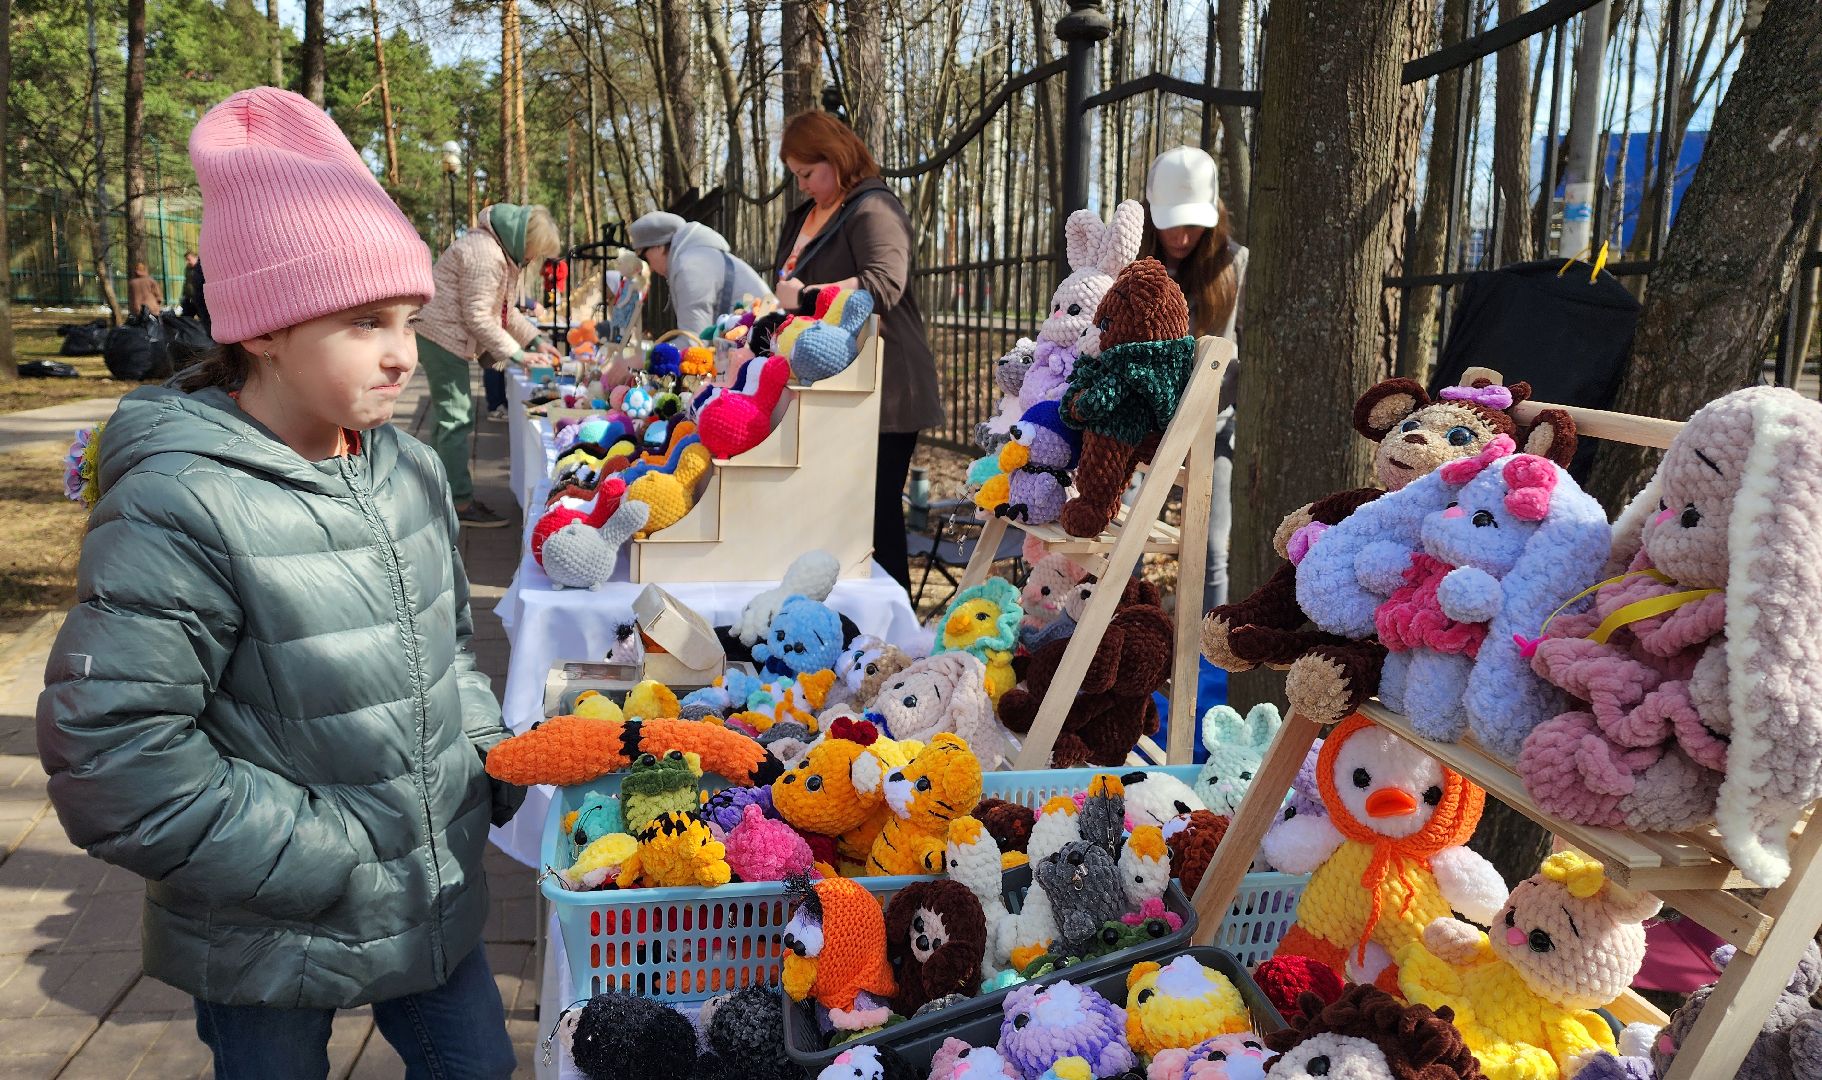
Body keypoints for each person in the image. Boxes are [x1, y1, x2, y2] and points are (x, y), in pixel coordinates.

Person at [35, 88, 522, 1080]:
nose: (400, 351)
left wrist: (482, 758)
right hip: (266, 929)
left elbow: (449, 653)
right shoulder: (182, 503)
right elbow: (111, 754)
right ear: (262, 330)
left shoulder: (407, 469)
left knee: (475, 1065)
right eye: (363, 322)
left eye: (406, 315)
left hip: (429, 897)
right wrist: (322, 854)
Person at [771, 111, 943, 591]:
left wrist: (807, 296)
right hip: (830, 388)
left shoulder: (873, 208)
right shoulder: (806, 215)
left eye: (808, 173)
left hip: (882, 391)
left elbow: (883, 285)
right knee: (837, 519)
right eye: (797, 176)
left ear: (837, 157)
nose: (802, 185)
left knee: (872, 518)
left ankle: (893, 632)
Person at [1139, 145, 1248, 612]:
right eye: (1170, 221)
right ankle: (1115, 634)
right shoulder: (1136, 261)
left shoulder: (1235, 264)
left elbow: (1240, 359)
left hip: (1214, 427)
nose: (1181, 236)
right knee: (1122, 537)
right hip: (1142, 427)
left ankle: (1208, 667)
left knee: (1211, 549)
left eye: (1192, 223)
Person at [414, 202, 561, 527]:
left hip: (443, 334)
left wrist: (534, 340)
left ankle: (438, 490)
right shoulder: (488, 255)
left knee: (447, 417)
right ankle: (459, 503)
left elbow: (504, 312)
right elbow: (480, 317)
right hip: (442, 336)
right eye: (536, 251)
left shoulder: (495, 250)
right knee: (456, 416)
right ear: (526, 241)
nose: (534, 259)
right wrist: (520, 355)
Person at [181, 251, 209, 330]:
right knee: (186, 319)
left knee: (204, 319)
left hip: (200, 298)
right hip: (189, 298)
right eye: (186, 260)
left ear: (195, 257)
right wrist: (184, 294)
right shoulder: (188, 269)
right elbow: (186, 282)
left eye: (189, 259)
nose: (187, 262)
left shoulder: (201, 267)